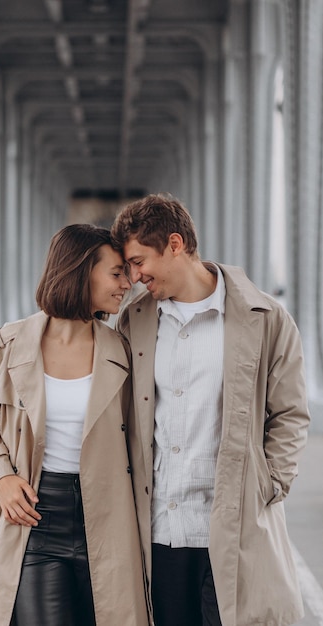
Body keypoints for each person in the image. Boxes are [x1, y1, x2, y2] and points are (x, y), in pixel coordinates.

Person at [111, 194, 310, 626]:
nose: (134, 276)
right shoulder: (134, 321)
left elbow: (290, 413)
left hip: (234, 530)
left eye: (139, 260)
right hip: (160, 530)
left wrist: (270, 484)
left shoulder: (267, 318)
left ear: (176, 244)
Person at [0, 224, 150, 626]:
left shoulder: (123, 348)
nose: (127, 283)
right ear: (81, 271)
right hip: (35, 518)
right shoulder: (10, 344)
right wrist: (1, 477)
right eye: (116, 273)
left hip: (110, 518)